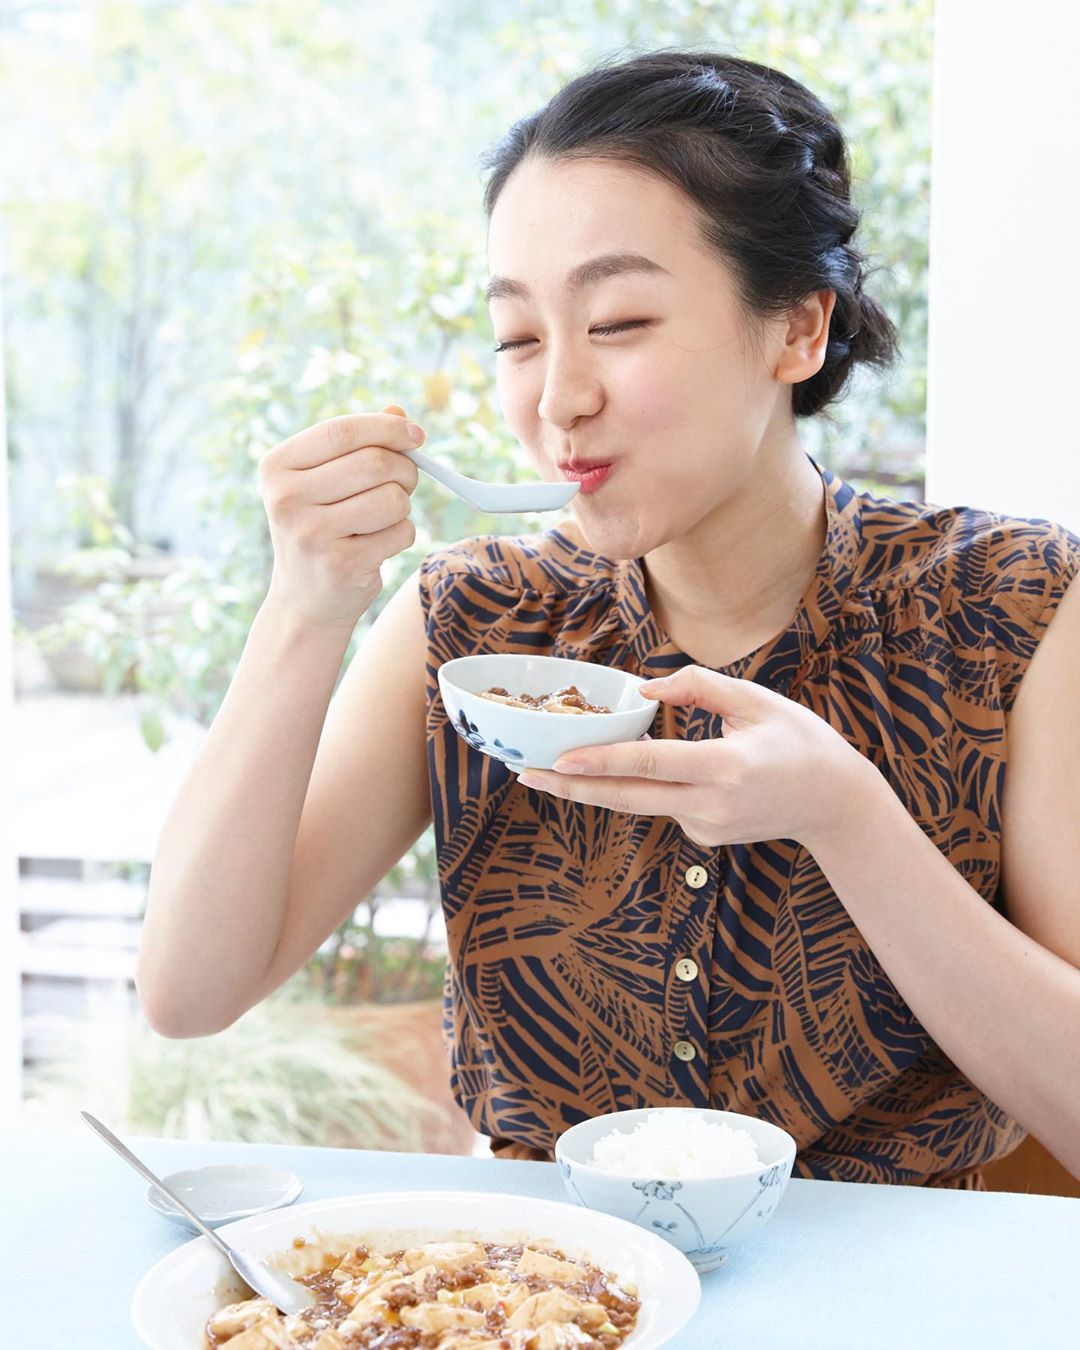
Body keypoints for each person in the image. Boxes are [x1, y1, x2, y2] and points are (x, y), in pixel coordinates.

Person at [136, 50, 1080, 1187]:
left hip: (893, 1276)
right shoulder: (473, 623)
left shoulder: (1011, 608)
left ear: (797, 328)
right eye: (519, 338)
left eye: (619, 321)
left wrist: (848, 820)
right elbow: (188, 992)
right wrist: (304, 607)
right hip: (542, 1273)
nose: (556, 399)